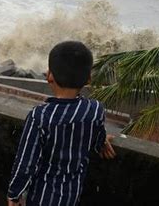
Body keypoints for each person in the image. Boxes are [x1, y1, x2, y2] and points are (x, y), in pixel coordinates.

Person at [7, 41, 116, 206]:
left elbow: (26, 163)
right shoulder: (95, 110)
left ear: (49, 76)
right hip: (72, 194)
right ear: (88, 79)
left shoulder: (41, 116)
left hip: (41, 197)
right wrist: (102, 140)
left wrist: (14, 195)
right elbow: (96, 137)